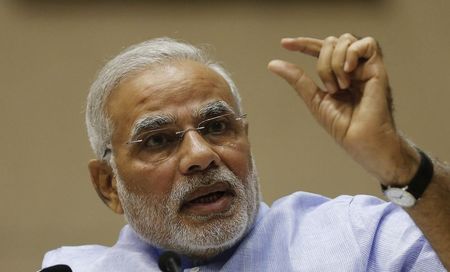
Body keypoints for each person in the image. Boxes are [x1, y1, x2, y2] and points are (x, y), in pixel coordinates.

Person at [42, 34, 449, 271]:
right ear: (109, 185)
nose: (200, 155)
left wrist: (401, 164)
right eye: (159, 140)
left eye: (217, 127)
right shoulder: (74, 270)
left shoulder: (358, 238)